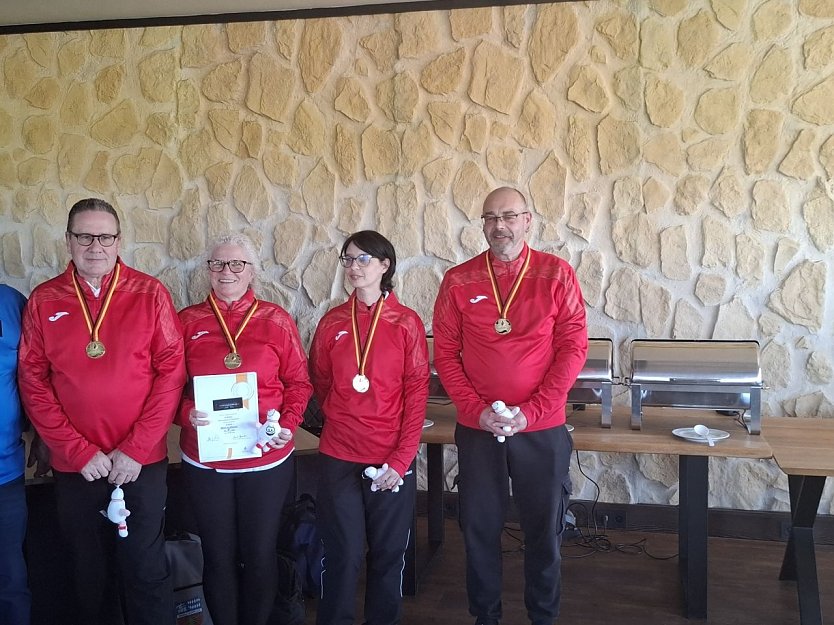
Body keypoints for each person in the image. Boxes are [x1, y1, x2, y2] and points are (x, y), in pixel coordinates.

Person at [18, 198, 186, 625]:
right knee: (87, 571)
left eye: (105, 236)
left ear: (119, 240)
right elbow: (33, 380)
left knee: (145, 569)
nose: (96, 246)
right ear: (69, 241)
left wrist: (136, 449)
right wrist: (77, 452)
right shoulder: (44, 299)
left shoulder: (151, 293)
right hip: (78, 466)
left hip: (141, 462)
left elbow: (171, 374)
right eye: (85, 236)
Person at [432, 187, 588, 625]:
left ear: (527, 220)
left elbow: (573, 349)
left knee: (545, 531)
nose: (498, 225)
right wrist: (476, 409)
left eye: (508, 216)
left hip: (541, 428)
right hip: (478, 428)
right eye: (489, 218)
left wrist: (531, 412)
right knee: (479, 530)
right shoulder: (458, 280)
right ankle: (486, 616)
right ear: (482, 224)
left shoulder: (557, 274)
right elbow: (445, 354)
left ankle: (543, 616)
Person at [177, 232, 312, 625]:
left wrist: (288, 424)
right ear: (208, 270)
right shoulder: (186, 322)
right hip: (206, 460)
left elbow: (300, 384)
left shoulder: (276, 319)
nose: (226, 272)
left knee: (258, 553)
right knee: (217, 555)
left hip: (265, 458)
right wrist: (187, 413)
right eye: (217, 263)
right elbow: (165, 387)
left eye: (237, 264)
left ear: (251, 271)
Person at [309, 230, 429, 625]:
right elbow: (321, 384)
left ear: (385, 265)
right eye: (348, 259)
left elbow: (416, 397)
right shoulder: (331, 323)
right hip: (338, 456)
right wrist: (348, 418)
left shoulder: (407, 323)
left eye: (363, 259)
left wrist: (400, 459)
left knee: (388, 554)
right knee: (341, 554)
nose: (354, 267)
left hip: (390, 460)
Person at [1, 284, 30, 625]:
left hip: (5, 474)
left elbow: (34, 373)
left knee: (11, 581)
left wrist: (41, 434)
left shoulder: (11, 303)